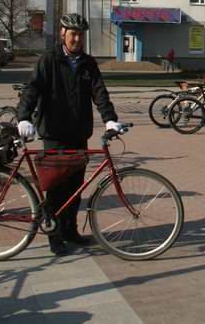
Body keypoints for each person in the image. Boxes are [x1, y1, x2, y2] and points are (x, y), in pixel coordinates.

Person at [17, 14, 122, 256]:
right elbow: (32, 89)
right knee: (56, 188)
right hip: (53, 133)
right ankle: (55, 236)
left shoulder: (88, 63)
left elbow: (100, 93)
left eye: (81, 34)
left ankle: (70, 230)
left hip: (78, 134)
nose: (77, 38)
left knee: (75, 187)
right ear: (63, 33)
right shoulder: (50, 60)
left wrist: (110, 120)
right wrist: (23, 117)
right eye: (73, 33)